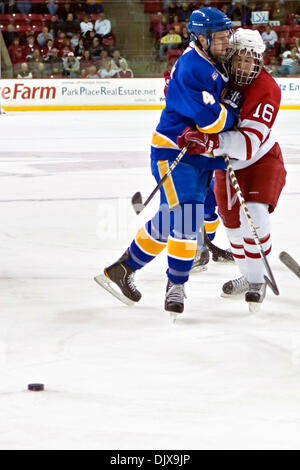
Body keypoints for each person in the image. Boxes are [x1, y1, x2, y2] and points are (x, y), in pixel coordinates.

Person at [94, 7, 238, 316]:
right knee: (186, 216)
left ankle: (122, 269)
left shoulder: (213, 60)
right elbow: (211, 120)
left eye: (228, 37)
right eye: (221, 38)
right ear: (200, 38)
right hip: (175, 152)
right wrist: (232, 112)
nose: (227, 44)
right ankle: (176, 284)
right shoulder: (192, 67)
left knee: (170, 220)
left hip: (200, 154)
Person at [177, 28, 286, 311]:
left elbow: (248, 145)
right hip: (225, 163)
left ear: (260, 61)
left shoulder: (267, 89)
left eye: (252, 61)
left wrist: (211, 141)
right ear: (230, 57)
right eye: (240, 59)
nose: (245, 66)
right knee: (233, 227)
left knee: (255, 214)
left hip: (260, 159)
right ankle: (249, 276)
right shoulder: (217, 75)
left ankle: (258, 279)